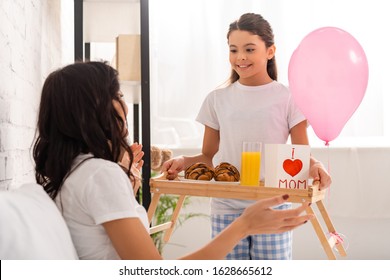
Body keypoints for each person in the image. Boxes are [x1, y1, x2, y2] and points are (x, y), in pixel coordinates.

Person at [32, 61, 313, 260]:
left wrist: (126, 180)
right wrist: (245, 225)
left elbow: (101, 239)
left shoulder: (78, 170)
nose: (125, 104)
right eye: (117, 95)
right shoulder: (98, 175)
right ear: (91, 110)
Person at [161, 13, 332, 260]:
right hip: (226, 206)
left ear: (270, 51)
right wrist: (182, 162)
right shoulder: (217, 99)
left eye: (250, 49)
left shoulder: (289, 98)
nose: (240, 57)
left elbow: (300, 156)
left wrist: (316, 166)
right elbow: (209, 157)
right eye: (233, 50)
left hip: (272, 205)